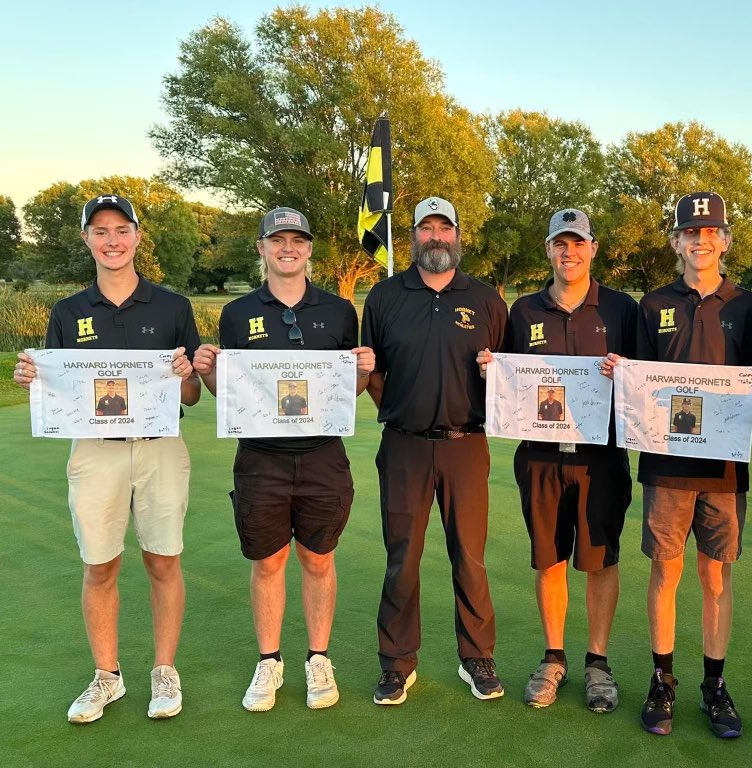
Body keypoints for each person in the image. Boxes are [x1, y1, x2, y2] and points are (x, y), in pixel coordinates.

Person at [13, 194, 201, 722]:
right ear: (87, 240)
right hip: (96, 453)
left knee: (163, 559)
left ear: (138, 236)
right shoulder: (68, 312)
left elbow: (190, 398)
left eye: (121, 230)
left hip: (161, 448)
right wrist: (30, 380)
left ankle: (164, 670)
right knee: (100, 565)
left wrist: (186, 378)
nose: (112, 240)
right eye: (101, 231)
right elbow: (56, 392)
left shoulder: (172, 306)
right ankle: (107, 676)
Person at [192, 207, 375, 712]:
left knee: (318, 559)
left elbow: (347, 393)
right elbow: (229, 394)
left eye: (297, 239)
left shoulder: (340, 311)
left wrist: (363, 369)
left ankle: (319, 659)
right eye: (278, 240)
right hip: (260, 459)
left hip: (322, 457)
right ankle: (269, 661)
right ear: (262, 248)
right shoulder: (236, 313)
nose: (288, 248)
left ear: (310, 248)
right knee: (268, 562)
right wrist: (208, 372)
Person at [613, 192, 752, 739]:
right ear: (676, 241)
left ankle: (714, 685)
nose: (700, 241)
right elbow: (636, 383)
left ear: (724, 240)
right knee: (666, 570)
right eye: (690, 233)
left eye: (710, 232)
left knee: (716, 574)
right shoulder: (651, 305)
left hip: (723, 467)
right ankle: (663, 678)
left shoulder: (747, 307)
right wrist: (620, 374)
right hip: (667, 463)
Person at [480, 208, 637, 712]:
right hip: (541, 459)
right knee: (548, 557)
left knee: (599, 559)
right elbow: (508, 379)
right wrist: (493, 370)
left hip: (601, 459)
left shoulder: (620, 310)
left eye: (578, 243)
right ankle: (553, 657)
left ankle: (597, 661)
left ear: (594, 248)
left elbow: (645, 378)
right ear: (548, 250)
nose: (569, 252)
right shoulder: (524, 311)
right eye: (559, 244)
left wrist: (628, 373)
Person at [362, 196, 508, 705]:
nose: (436, 237)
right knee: (403, 557)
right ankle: (397, 663)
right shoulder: (384, 297)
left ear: (458, 235)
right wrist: (404, 408)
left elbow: (507, 379)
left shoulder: (488, 300)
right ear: (413, 237)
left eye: (445, 227)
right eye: (426, 228)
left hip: (466, 446)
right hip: (404, 446)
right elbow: (372, 372)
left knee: (469, 556)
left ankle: (477, 657)